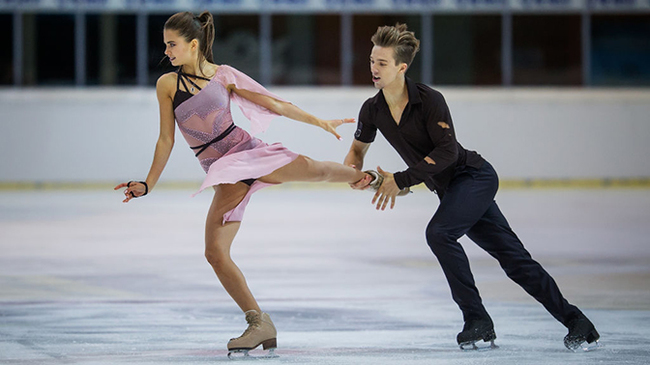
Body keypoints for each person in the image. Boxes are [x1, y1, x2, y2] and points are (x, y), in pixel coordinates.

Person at [114, 11, 374, 357]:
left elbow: (273, 103)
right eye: (165, 46)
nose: (168, 52)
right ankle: (259, 322)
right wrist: (148, 183)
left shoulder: (224, 76)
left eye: (173, 44)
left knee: (317, 170)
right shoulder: (167, 85)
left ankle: (372, 178)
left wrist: (318, 121)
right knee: (215, 253)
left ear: (193, 44)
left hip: (248, 152)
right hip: (224, 168)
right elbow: (166, 140)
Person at [344, 23, 600, 351]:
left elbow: (447, 152)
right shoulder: (372, 109)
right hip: (452, 192)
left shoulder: (429, 100)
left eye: (382, 63)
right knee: (514, 259)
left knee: (439, 233)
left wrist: (403, 180)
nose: (373, 69)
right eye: (371, 61)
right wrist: (356, 175)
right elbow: (357, 152)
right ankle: (577, 322)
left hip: (474, 177)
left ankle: (476, 319)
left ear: (401, 68)